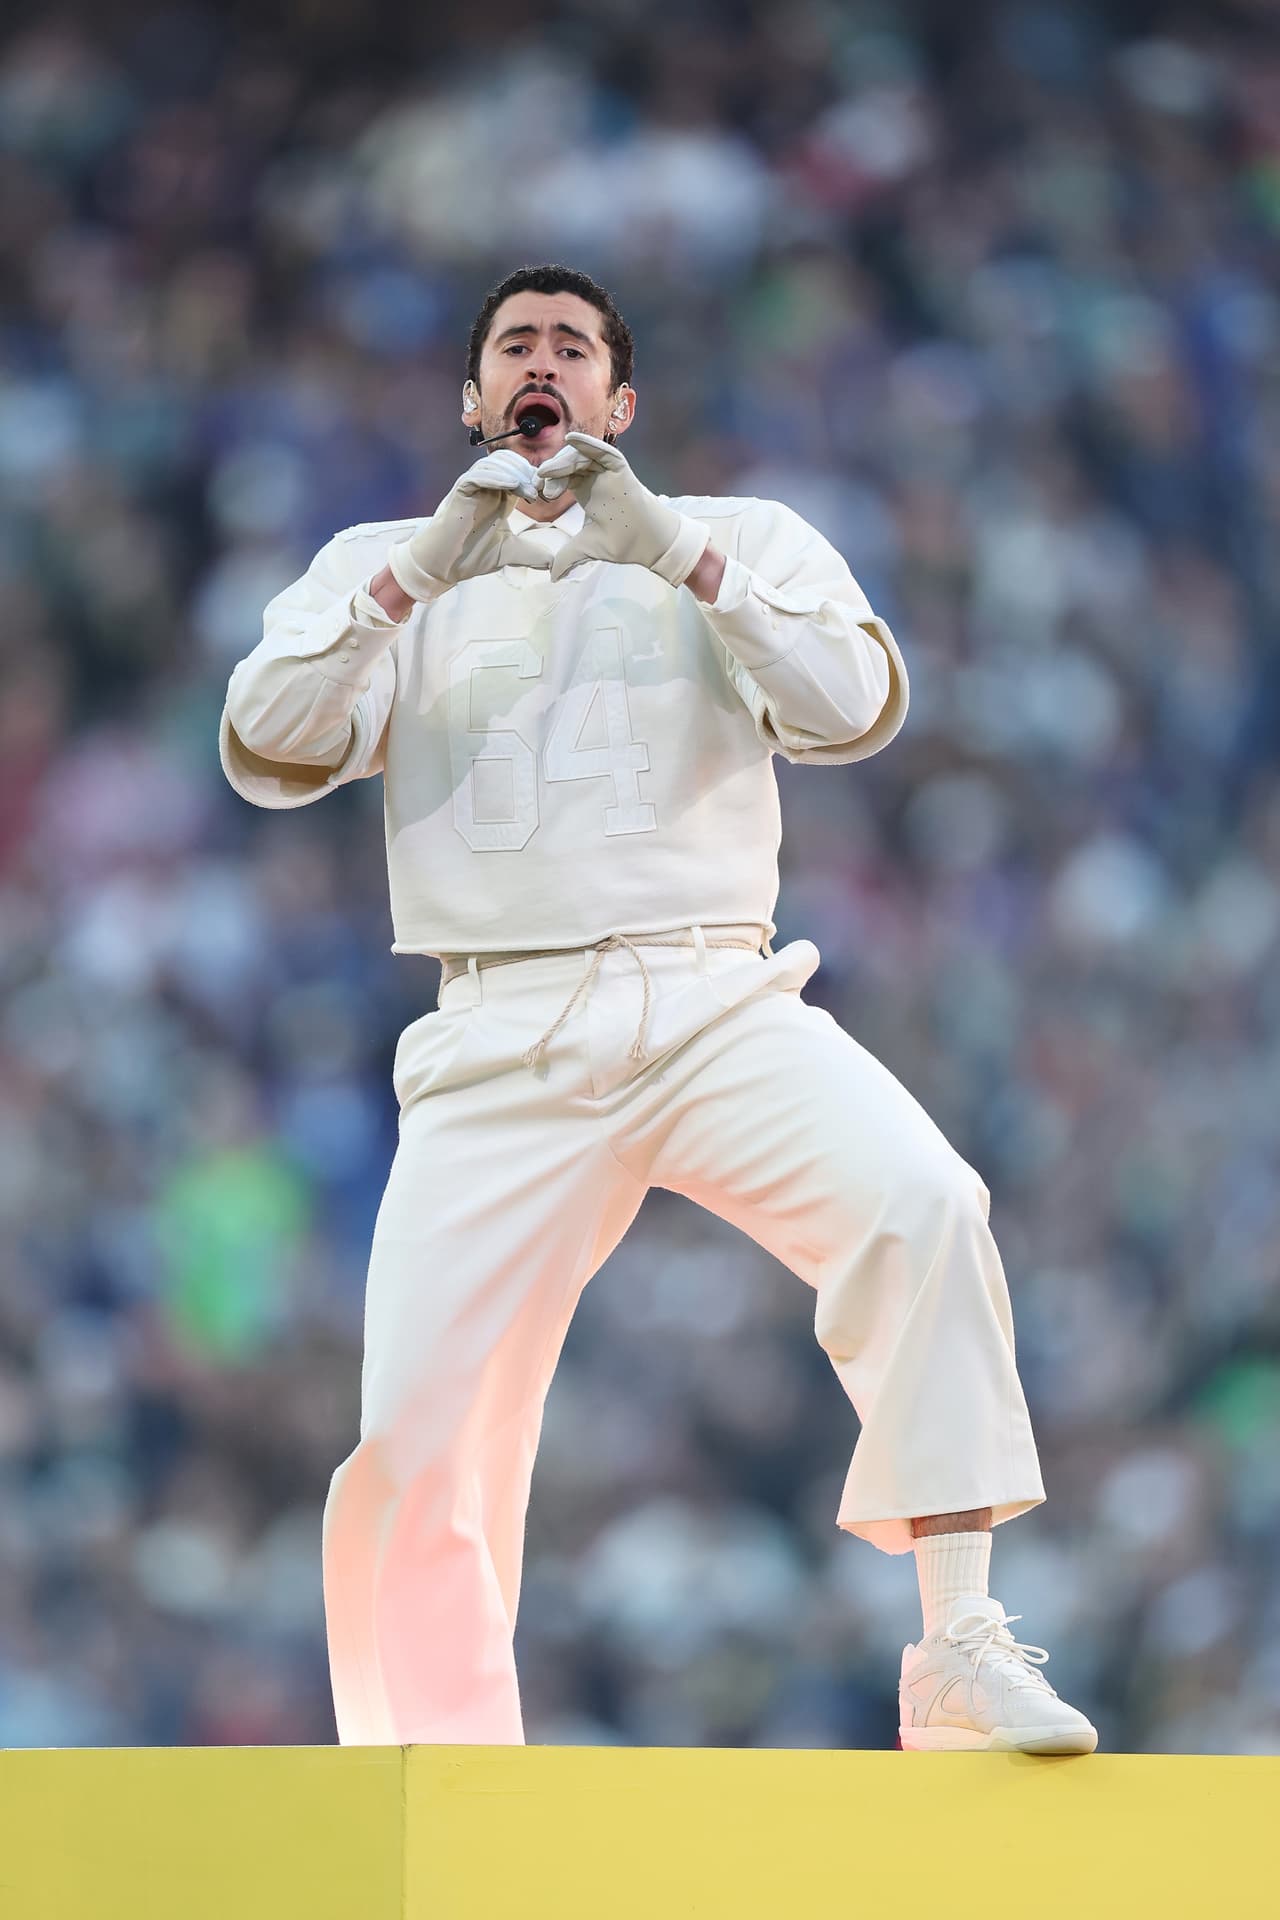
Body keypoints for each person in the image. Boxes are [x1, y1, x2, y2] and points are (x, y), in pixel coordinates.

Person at [219, 262, 1097, 1756]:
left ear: (621, 402)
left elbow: (851, 709)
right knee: (419, 1432)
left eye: (573, 346)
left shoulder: (739, 535)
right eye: (515, 346)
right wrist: (419, 571)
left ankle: (958, 1638)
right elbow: (264, 738)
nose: (541, 363)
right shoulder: (383, 559)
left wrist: (680, 555)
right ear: (474, 398)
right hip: (498, 1028)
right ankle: (430, 1777)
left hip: (710, 992)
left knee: (923, 1201)